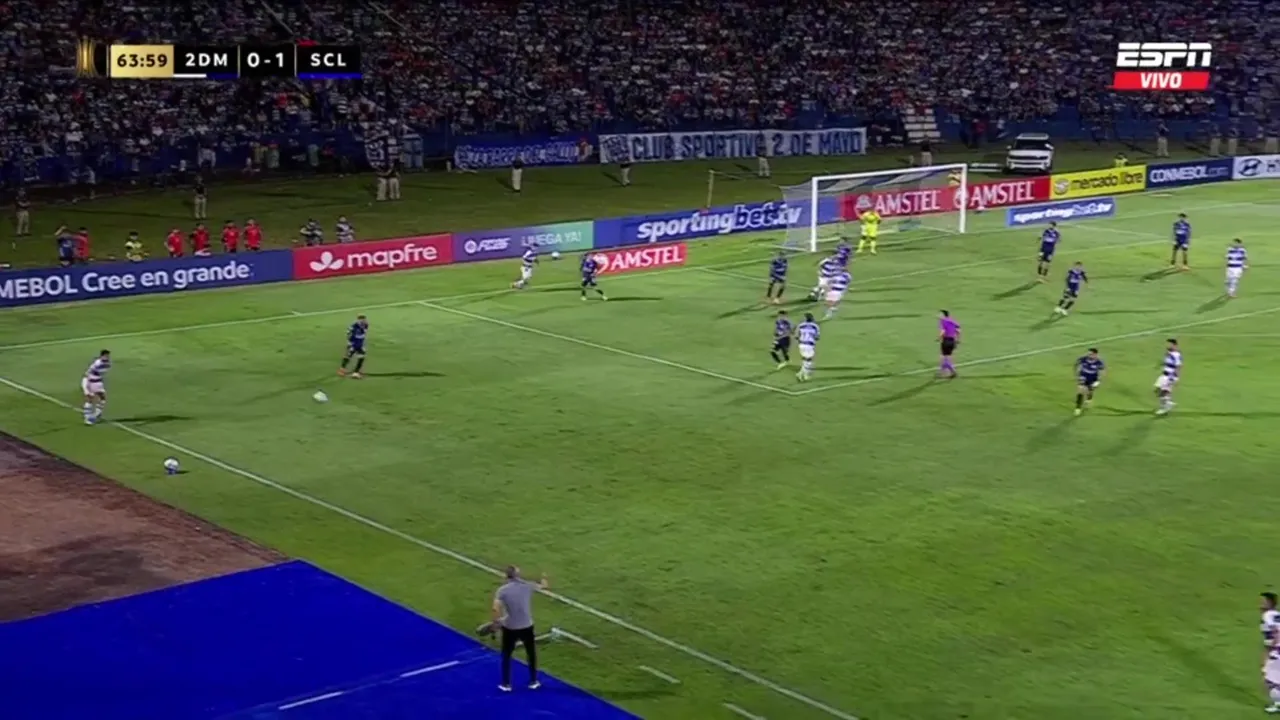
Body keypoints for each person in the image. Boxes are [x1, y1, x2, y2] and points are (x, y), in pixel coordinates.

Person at [492, 566, 547, 692]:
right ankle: (533, 681)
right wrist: (544, 577)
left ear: (506, 576)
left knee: (506, 655)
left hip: (510, 627)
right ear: (517, 575)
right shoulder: (527, 586)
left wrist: (496, 623)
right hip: (527, 626)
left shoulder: (502, 590)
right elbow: (544, 586)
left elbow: (495, 608)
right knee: (531, 653)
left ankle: (506, 684)